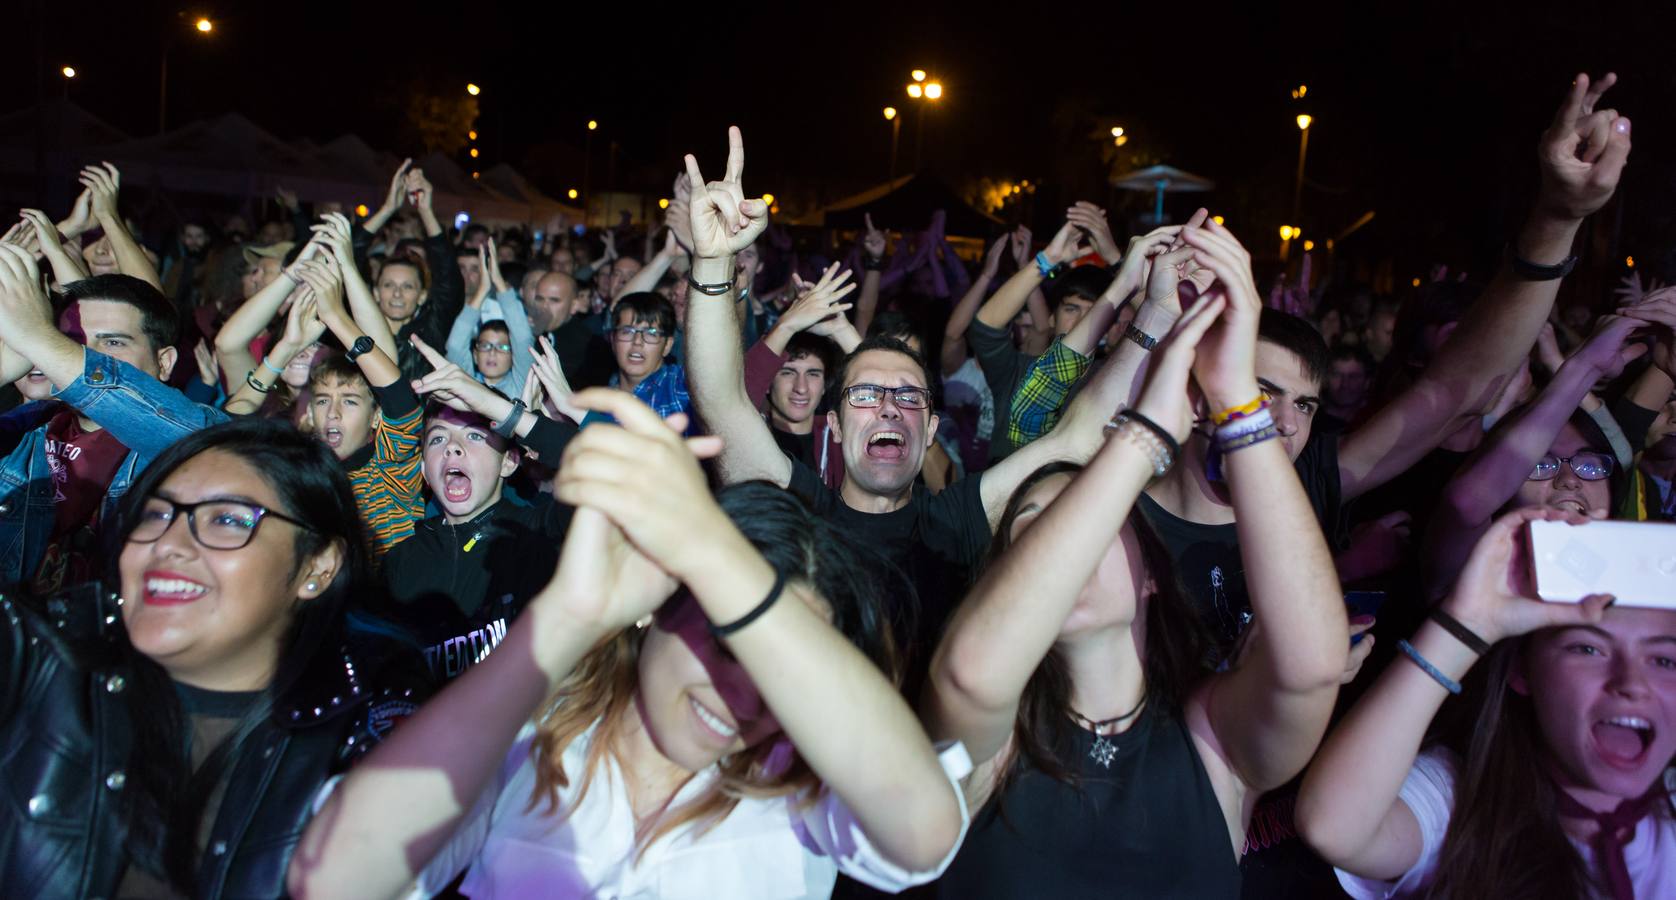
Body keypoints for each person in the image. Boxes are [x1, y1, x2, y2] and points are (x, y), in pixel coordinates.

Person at [287, 389, 971, 900]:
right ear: (661, 606)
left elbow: (926, 827)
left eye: (784, 669)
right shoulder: (529, 735)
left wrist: (708, 540)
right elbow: (333, 873)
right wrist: (570, 615)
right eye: (734, 640)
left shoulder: (802, 787)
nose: (746, 694)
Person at [925, 230, 1347, 899]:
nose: (1074, 548)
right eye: (1039, 531)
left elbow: (1313, 669)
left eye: (1097, 525)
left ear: (1152, 573)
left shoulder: (1213, 744)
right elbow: (972, 674)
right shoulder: (990, 746)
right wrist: (1145, 436)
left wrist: (1239, 399)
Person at [684, 128, 1108, 682]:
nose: (889, 408)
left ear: (931, 428)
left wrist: (1150, 314)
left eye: (908, 397)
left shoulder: (959, 521)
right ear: (832, 424)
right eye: (866, 394)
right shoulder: (800, 510)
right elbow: (720, 400)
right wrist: (714, 264)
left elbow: (1080, 438)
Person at [0, 417, 428, 899]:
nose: (168, 544)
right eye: (155, 515)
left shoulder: (364, 740)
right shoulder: (45, 662)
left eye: (226, 520)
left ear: (318, 566)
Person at [1296, 507, 1674, 899]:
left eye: (1664, 660)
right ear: (1523, 672)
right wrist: (1468, 623)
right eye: (1588, 649)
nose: (1631, 684)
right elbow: (1332, 828)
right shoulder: (1460, 799)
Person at [0, 249, 228, 589]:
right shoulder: (23, 432)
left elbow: (206, 440)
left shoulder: (194, 432)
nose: (87, 356)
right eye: (72, 343)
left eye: (113, 342)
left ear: (164, 363)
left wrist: (37, 336)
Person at [380, 336, 576, 682]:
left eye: (473, 436)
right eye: (438, 438)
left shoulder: (539, 532)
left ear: (509, 463)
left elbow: (615, 472)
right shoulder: (400, 563)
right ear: (424, 471)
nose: (453, 449)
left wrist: (508, 414)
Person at [350, 160, 466, 384]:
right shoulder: (357, 328)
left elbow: (449, 279)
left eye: (407, 286)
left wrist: (426, 211)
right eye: (388, 285)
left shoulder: (430, 331)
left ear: (422, 295)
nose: (397, 293)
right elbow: (346, 262)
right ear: (374, 292)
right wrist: (387, 210)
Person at [446, 240, 537, 398]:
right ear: (475, 355)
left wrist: (499, 283)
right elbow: (455, 345)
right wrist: (482, 290)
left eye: (503, 347)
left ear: (514, 356)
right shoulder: (467, 383)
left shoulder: (522, 385)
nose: (492, 353)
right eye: (485, 346)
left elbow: (523, 339)